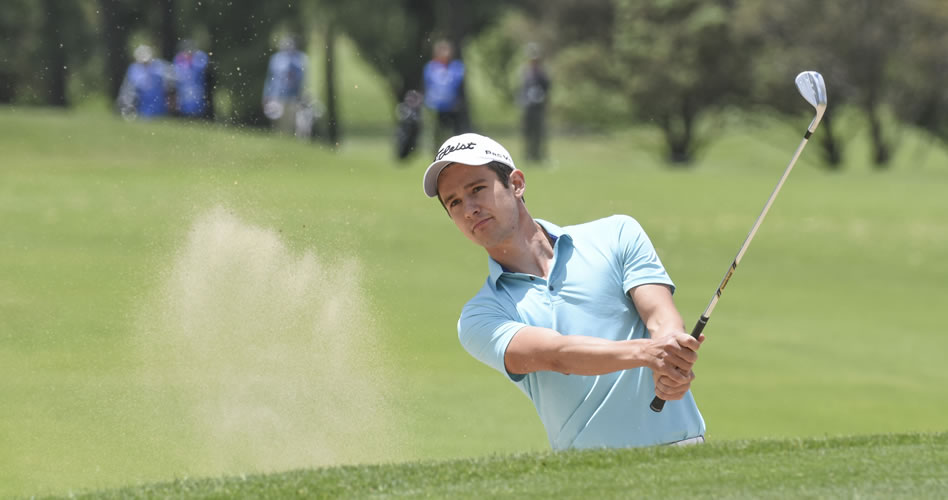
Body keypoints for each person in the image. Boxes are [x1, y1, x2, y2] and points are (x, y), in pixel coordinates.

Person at [422, 133, 706, 449]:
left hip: (684, 453)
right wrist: (649, 355)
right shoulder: (480, 316)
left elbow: (661, 317)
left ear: (516, 184)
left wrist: (672, 353)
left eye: (477, 189)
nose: (469, 209)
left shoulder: (616, 235)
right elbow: (557, 355)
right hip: (588, 479)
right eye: (455, 202)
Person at [423, 40, 468, 151]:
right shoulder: (431, 68)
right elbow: (427, 86)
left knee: (454, 133)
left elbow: (460, 88)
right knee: (438, 132)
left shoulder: (457, 67)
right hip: (436, 106)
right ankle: (437, 151)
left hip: (452, 107)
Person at [262, 35, 309, 137]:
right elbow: (270, 79)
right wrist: (266, 94)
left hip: (294, 95)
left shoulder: (301, 59)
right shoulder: (276, 59)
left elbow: (303, 79)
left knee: (291, 120)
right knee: (278, 120)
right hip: (277, 95)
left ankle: (288, 139)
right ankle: (279, 139)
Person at [116, 44, 173, 120]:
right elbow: (128, 88)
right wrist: (126, 102)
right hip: (143, 105)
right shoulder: (134, 69)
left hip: (159, 104)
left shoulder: (159, 66)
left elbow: (172, 78)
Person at [519, 43, 551, 162]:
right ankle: (528, 155)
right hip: (528, 107)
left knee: (539, 133)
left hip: (539, 107)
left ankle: (539, 155)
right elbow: (522, 89)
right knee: (528, 132)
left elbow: (547, 88)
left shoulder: (543, 73)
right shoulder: (525, 72)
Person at [172, 40, 211, 119]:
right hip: (184, 89)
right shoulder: (179, 59)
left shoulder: (199, 58)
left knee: (197, 106)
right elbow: (177, 72)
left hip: (197, 88)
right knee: (185, 107)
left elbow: (202, 65)